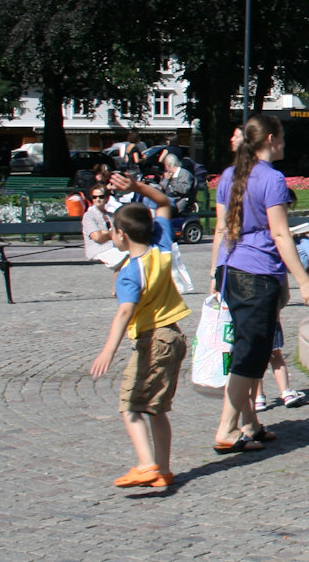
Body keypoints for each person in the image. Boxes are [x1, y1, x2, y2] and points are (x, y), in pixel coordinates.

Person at [208, 115, 309, 454]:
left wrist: (216, 274)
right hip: (257, 273)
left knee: (245, 345)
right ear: (272, 139)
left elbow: (220, 228)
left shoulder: (229, 175)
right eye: (282, 137)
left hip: (232, 268)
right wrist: (303, 280)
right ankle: (227, 428)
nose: (284, 143)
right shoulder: (272, 178)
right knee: (252, 352)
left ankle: (250, 423)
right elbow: (279, 233)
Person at [87, 203, 191, 488]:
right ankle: (163, 471)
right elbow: (163, 205)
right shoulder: (162, 250)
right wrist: (138, 187)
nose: (111, 234)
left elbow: (124, 312)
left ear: (121, 234)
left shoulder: (130, 272)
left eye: (112, 229)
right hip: (174, 336)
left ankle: (146, 465)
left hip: (153, 341)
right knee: (156, 408)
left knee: (130, 405)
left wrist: (108, 350)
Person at [82, 181, 122, 267]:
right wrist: (112, 234)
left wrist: (105, 233)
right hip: (98, 250)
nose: (97, 199)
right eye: (94, 197)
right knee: (123, 259)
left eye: (101, 196)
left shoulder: (111, 215)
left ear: (107, 198)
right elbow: (97, 237)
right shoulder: (89, 215)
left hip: (113, 248)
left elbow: (119, 234)